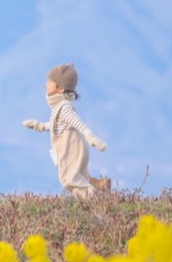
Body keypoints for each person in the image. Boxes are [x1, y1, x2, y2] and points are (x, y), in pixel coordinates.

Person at [22, 63, 109, 199]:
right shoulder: (59, 107)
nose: (47, 84)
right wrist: (39, 126)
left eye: (50, 82)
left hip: (72, 149)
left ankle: (94, 201)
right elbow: (56, 124)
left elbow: (78, 122)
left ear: (61, 88)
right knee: (81, 176)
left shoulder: (65, 108)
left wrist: (91, 137)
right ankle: (101, 186)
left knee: (69, 179)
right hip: (76, 147)